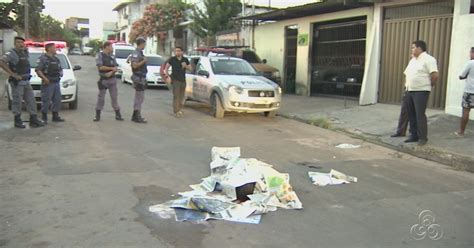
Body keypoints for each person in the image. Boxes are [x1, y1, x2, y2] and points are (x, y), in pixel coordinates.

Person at [0, 36, 44, 128]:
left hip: (26, 80)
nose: (21, 44)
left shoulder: (24, 52)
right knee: (17, 101)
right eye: (18, 42)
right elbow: (1, 62)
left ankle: (33, 119)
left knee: (31, 100)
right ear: (15, 43)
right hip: (17, 82)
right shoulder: (11, 53)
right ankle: (17, 120)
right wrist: (12, 74)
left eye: (22, 42)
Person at [404, 40, 439, 145]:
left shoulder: (429, 59)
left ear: (420, 48)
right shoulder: (413, 60)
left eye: (413, 47)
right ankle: (413, 135)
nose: (412, 49)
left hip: (421, 91)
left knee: (420, 115)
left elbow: (435, 75)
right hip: (410, 90)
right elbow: (407, 74)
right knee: (411, 115)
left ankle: (423, 138)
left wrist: (429, 85)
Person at [93, 41, 124, 122]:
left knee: (114, 97)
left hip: (112, 79)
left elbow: (115, 66)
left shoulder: (112, 56)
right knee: (101, 98)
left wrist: (112, 71)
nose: (112, 48)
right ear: (106, 47)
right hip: (104, 79)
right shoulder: (99, 55)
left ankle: (118, 114)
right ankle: (97, 115)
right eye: (111, 46)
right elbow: (100, 67)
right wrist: (111, 69)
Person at [36, 43, 65, 124]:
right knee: (46, 100)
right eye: (54, 47)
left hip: (56, 82)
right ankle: (44, 117)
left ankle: (55, 116)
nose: (55, 49)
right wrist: (44, 79)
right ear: (49, 48)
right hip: (48, 83)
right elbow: (38, 70)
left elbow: (60, 68)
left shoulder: (56, 59)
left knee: (57, 100)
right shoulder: (42, 58)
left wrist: (61, 72)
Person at [163, 46, 191, 118]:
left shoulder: (185, 59)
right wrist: (167, 76)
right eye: (176, 51)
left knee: (181, 97)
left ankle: (179, 109)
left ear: (182, 52)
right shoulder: (172, 59)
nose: (177, 52)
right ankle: (176, 111)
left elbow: (190, 69)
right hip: (175, 80)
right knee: (176, 96)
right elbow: (166, 68)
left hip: (183, 80)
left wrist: (186, 66)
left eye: (178, 51)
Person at [455, 47, 474, 137]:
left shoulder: (470, 63)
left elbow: (461, 76)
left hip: (470, 90)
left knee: (466, 110)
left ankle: (461, 132)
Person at [129, 37, 148, 123]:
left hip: (141, 77)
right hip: (138, 78)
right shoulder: (136, 53)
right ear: (141, 44)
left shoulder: (140, 53)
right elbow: (135, 66)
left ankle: (135, 115)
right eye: (144, 44)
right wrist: (144, 61)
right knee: (139, 98)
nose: (145, 45)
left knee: (139, 97)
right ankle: (137, 115)